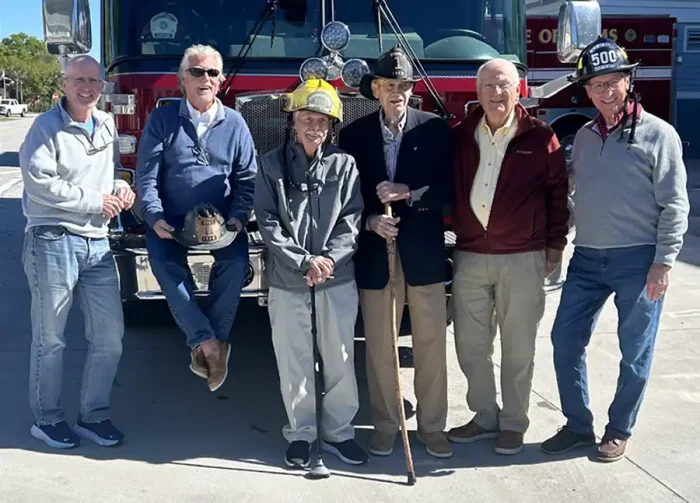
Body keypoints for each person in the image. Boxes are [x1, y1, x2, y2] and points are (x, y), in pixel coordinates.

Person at [541, 38, 689, 462]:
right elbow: (574, 193)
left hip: (639, 260)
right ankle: (577, 425)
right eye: (596, 85)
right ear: (585, 90)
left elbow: (675, 204)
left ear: (629, 81)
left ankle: (619, 429)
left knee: (634, 351)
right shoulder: (584, 138)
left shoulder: (660, 134)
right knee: (565, 340)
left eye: (614, 82)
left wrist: (663, 263)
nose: (606, 92)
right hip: (586, 258)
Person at [448, 59, 570, 455]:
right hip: (470, 254)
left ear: (518, 89)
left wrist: (555, 245)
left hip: (523, 256)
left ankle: (514, 423)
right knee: (469, 344)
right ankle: (485, 416)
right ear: (477, 92)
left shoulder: (540, 136)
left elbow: (557, 194)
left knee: (518, 346)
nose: (495, 94)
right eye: (488, 87)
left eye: (503, 86)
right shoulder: (461, 134)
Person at [338, 45, 454, 459]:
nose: (397, 92)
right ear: (376, 89)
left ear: (411, 88)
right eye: (389, 85)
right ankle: (386, 425)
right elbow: (346, 197)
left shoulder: (436, 129)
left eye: (403, 85)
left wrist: (409, 194)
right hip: (375, 255)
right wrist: (371, 219)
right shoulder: (353, 136)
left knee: (430, 344)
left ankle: (433, 426)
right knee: (380, 346)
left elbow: (449, 190)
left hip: (423, 252)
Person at [19, 55, 135, 448]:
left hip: (97, 243)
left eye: (94, 81)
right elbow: (38, 184)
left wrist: (121, 188)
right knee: (50, 337)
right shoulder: (44, 127)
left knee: (110, 336)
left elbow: (114, 169)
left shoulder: (105, 122)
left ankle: (93, 415)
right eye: (79, 80)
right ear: (64, 84)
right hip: (51, 240)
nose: (87, 88)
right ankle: (47, 420)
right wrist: (94, 202)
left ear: (103, 86)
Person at [254, 79, 367, 468]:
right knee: (294, 360)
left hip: (336, 278)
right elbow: (268, 223)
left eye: (322, 120)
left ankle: (338, 433)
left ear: (332, 125)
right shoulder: (270, 166)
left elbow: (351, 220)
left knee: (339, 357)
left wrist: (328, 260)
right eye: (307, 118)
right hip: (289, 280)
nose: (315, 126)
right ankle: (301, 434)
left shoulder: (345, 165)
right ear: (293, 121)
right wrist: (304, 261)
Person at [135, 44, 256, 392]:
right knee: (165, 266)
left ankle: (208, 344)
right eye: (197, 72)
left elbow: (246, 178)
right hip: (171, 217)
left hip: (222, 223)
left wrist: (238, 217)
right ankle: (210, 344)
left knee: (235, 265)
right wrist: (155, 216)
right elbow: (147, 176)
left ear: (220, 82)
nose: (206, 79)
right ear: (182, 80)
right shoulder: (162, 119)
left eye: (213, 73)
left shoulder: (235, 123)